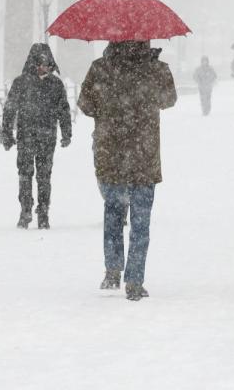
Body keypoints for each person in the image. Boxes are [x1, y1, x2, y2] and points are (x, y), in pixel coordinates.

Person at [78, 40, 178, 301]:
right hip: (144, 156)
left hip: (112, 154)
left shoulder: (100, 68)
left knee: (113, 215)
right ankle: (135, 280)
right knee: (141, 222)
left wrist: (110, 109)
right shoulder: (156, 69)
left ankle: (112, 270)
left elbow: (85, 104)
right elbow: (169, 99)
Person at [1, 44, 72, 229]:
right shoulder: (21, 83)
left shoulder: (55, 84)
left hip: (46, 137)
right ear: (33, 63)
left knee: (44, 176)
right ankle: (25, 209)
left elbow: (63, 110)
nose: (44, 67)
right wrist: (7, 132)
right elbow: (9, 109)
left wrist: (66, 133)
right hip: (26, 135)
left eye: (47, 64)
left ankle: (43, 211)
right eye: (40, 63)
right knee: (25, 174)